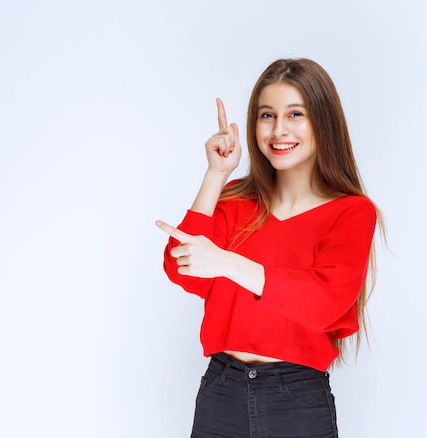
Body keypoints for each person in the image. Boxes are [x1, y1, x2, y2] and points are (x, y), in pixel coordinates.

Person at [156, 58, 381, 438]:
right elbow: (182, 269)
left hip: (296, 398)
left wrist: (228, 263)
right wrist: (215, 175)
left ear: (322, 121)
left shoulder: (351, 212)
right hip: (221, 392)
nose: (279, 130)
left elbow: (324, 302)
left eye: (296, 114)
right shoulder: (233, 198)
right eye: (266, 115)